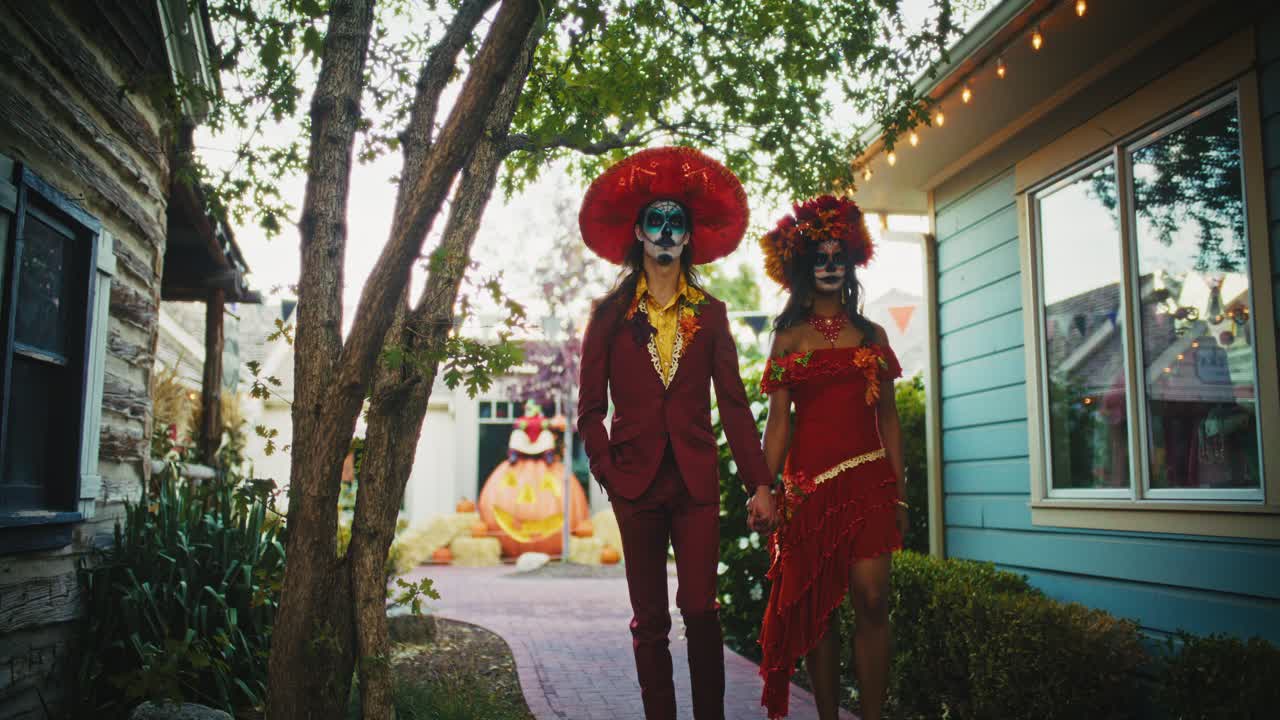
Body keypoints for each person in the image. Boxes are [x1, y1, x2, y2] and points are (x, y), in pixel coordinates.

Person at [576, 146, 776, 720]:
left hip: (695, 481)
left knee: (700, 607)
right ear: (639, 232)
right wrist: (608, 471)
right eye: (655, 221)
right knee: (651, 622)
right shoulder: (608, 315)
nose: (666, 231)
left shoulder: (712, 314)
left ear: (688, 237)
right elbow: (590, 408)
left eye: (676, 222)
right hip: (634, 483)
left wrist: (758, 484)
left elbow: (735, 407)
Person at [754, 195, 908, 720]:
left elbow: (888, 418)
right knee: (820, 613)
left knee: (872, 599)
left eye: (837, 255)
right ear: (802, 266)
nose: (828, 266)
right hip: (809, 488)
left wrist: (899, 493)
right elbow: (779, 421)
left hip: (869, 484)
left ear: (851, 262)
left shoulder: (872, 335)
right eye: (818, 257)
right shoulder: (788, 337)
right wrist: (761, 485)